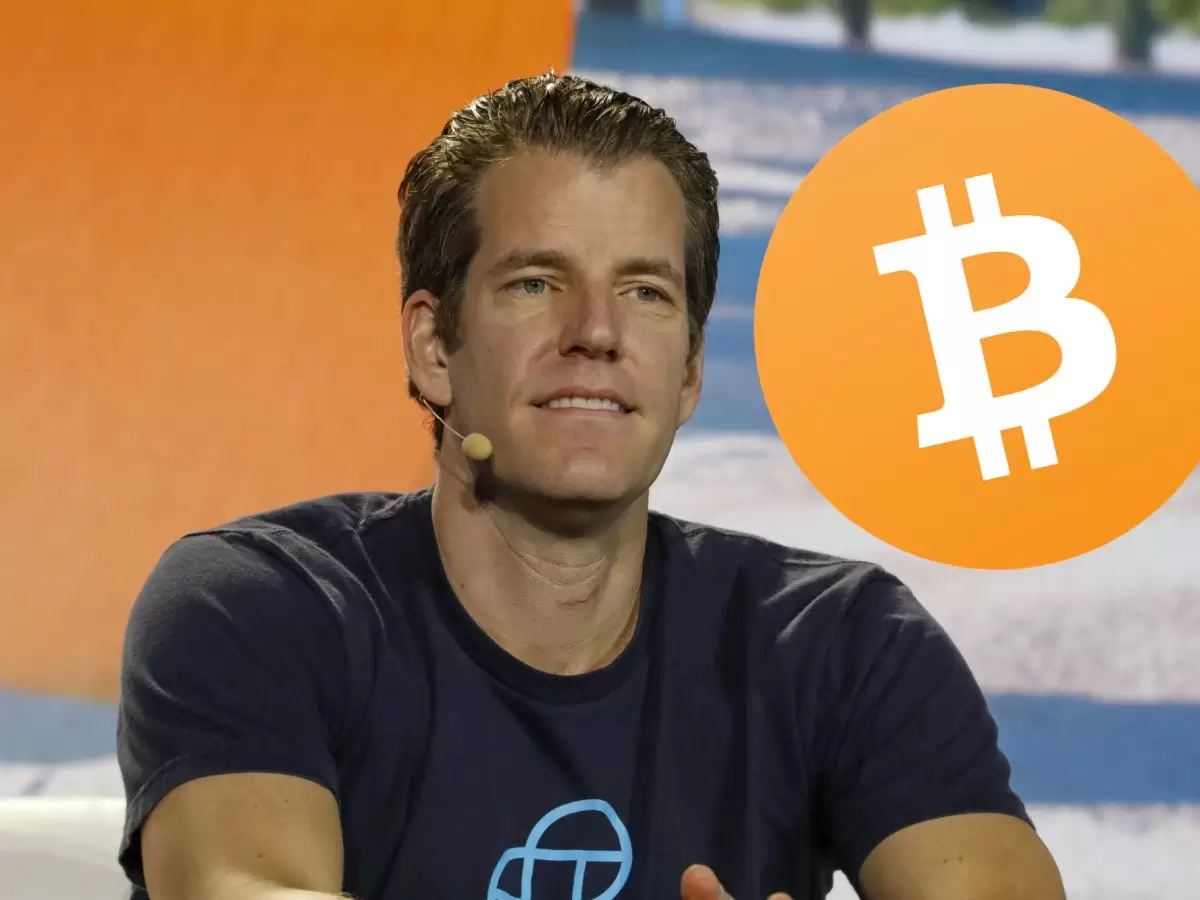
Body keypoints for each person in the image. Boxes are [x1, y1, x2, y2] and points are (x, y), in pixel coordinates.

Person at [115, 73, 1066, 900]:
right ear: (434, 346)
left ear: (689, 370)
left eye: (647, 292)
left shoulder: (842, 642)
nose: (597, 334)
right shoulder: (261, 607)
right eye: (536, 283)